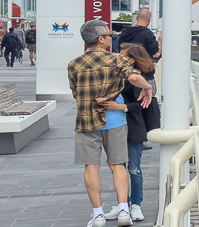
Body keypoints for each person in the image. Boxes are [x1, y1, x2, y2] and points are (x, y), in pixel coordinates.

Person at [68, 19, 153, 227]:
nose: (111, 37)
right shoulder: (115, 59)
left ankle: (98, 214)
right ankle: (124, 210)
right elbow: (134, 78)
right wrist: (147, 88)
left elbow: (74, 92)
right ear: (100, 39)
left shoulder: (74, 64)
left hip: (86, 121)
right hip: (114, 121)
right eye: (109, 34)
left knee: (91, 167)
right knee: (118, 166)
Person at [103, 45, 160, 224]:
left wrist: (119, 107)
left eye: (125, 56)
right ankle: (123, 205)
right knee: (119, 168)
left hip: (132, 127)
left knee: (134, 168)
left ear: (134, 59)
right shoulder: (119, 74)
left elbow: (142, 105)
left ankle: (135, 204)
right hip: (116, 126)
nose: (121, 58)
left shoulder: (137, 79)